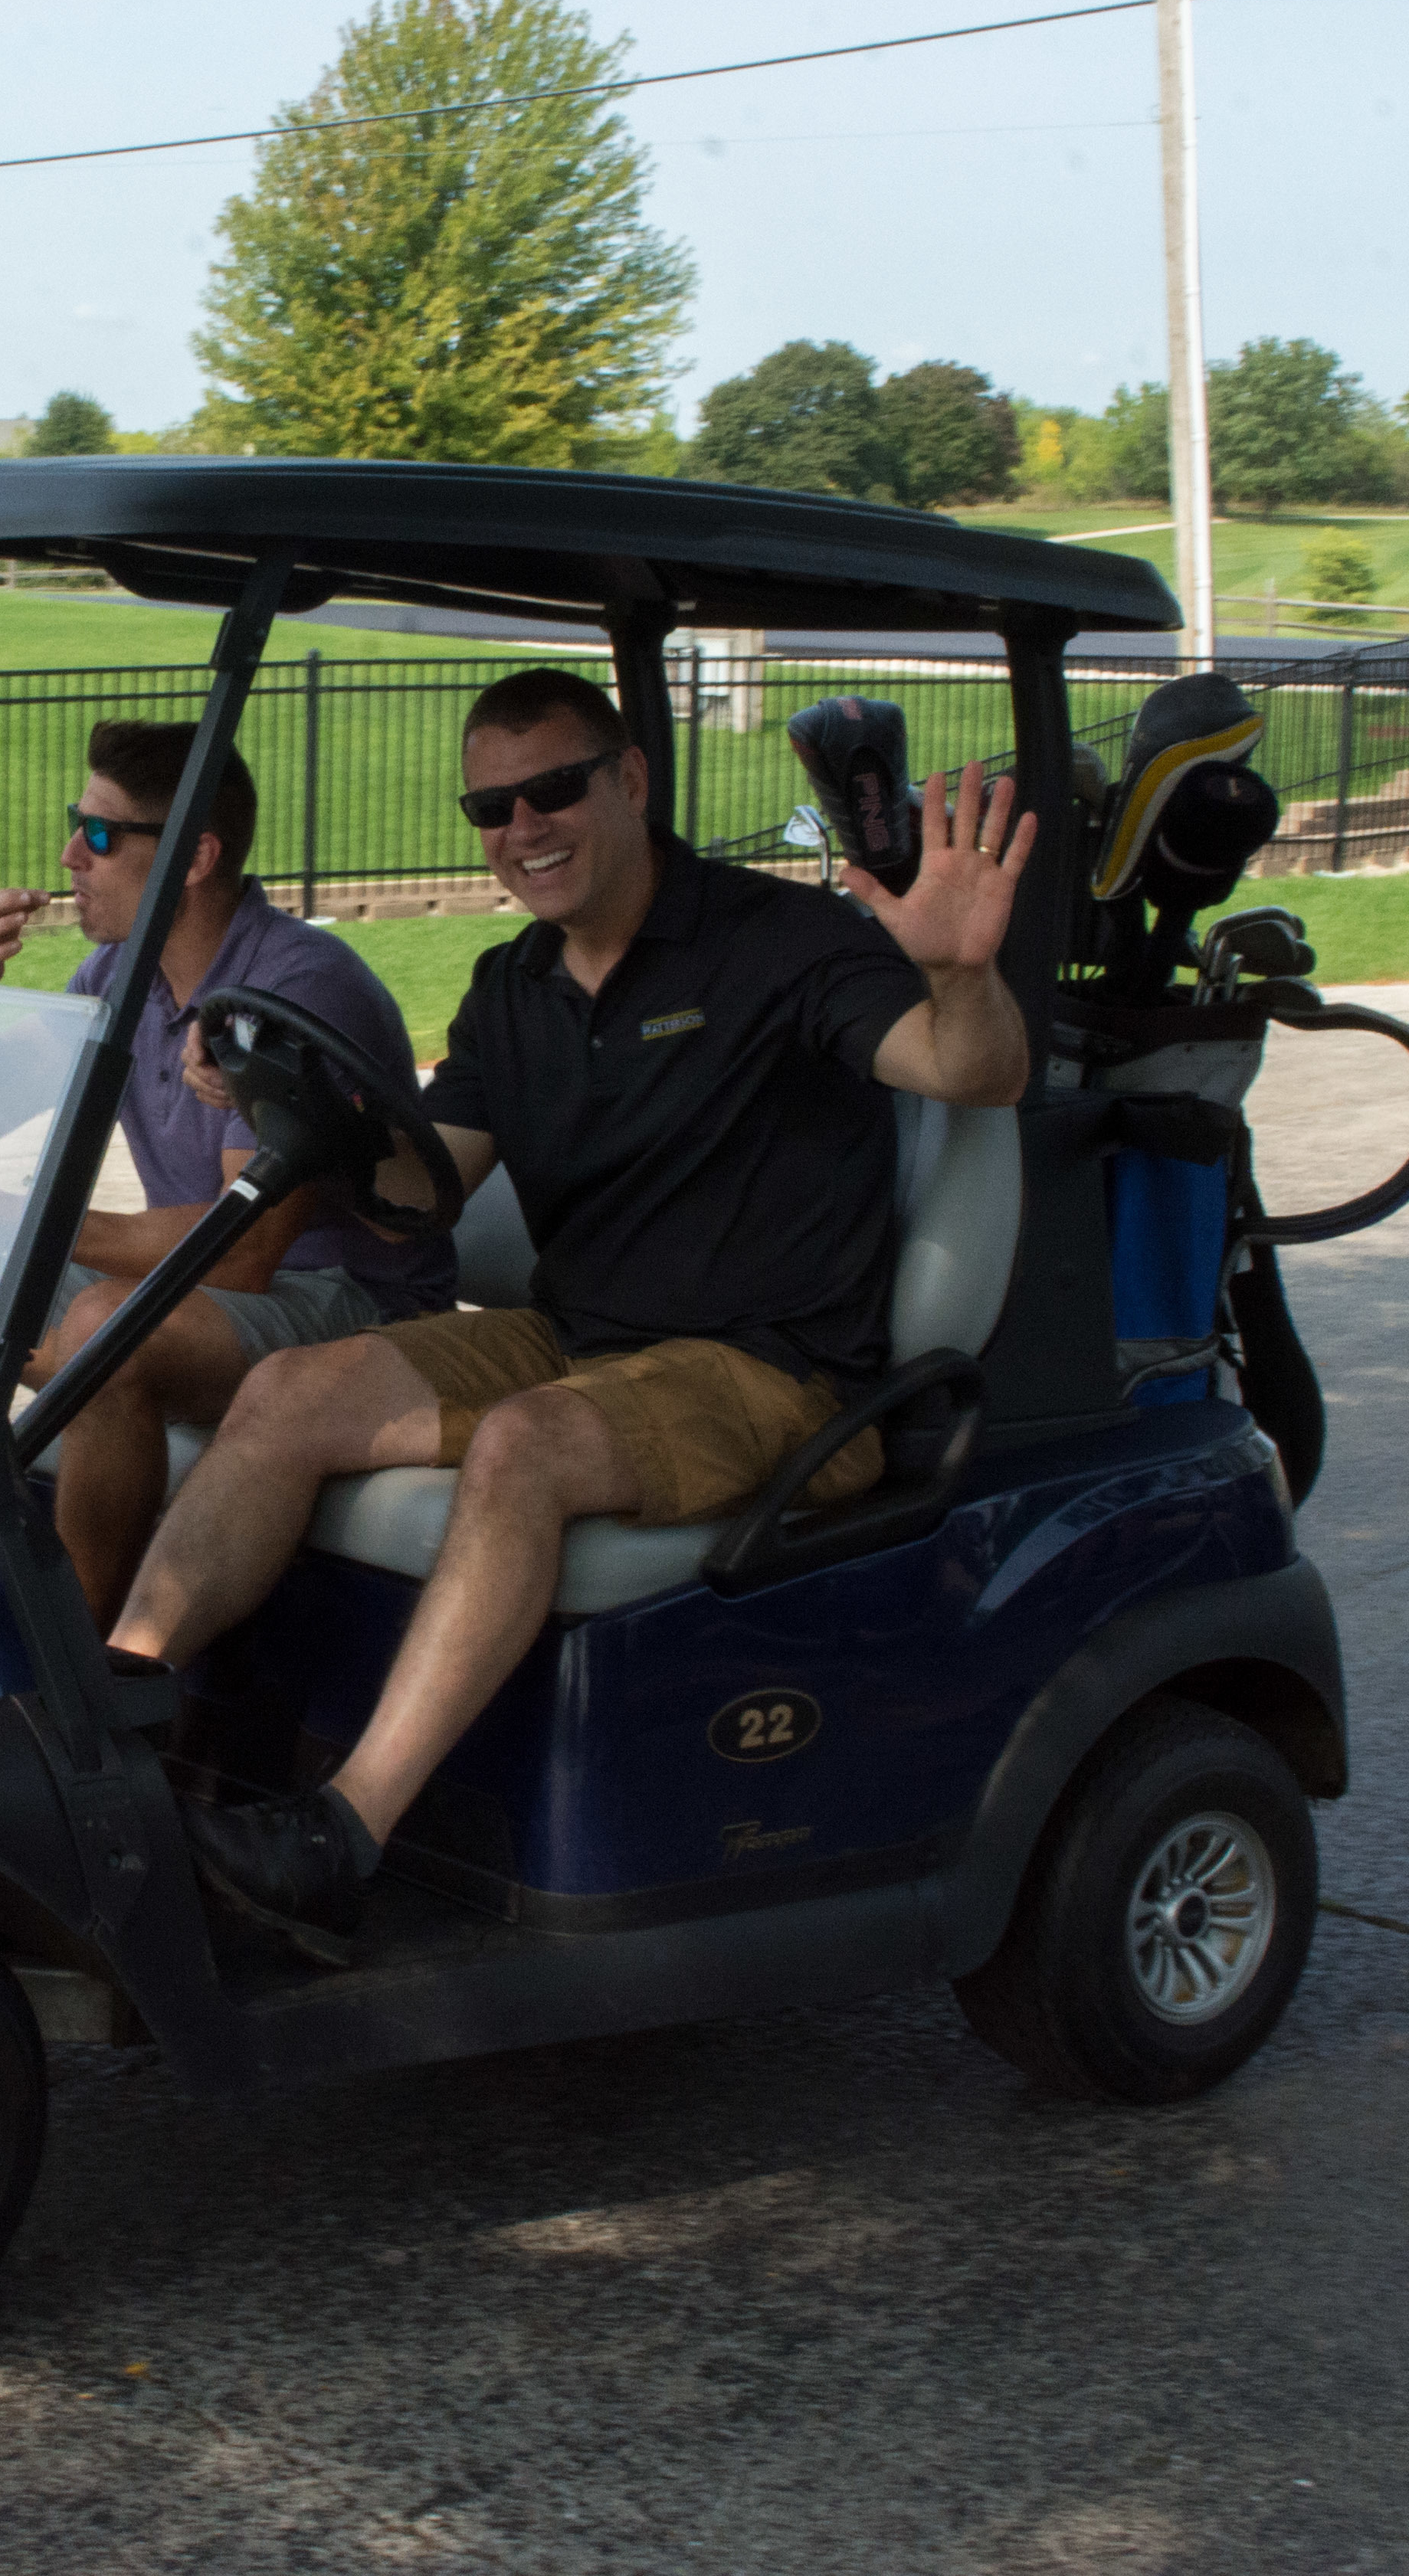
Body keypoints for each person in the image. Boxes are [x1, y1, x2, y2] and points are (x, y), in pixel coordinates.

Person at [106, 666, 1039, 1946]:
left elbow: (968, 1072)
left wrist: (961, 975)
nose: (522, 829)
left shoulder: (778, 941)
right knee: (288, 1389)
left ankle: (341, 1836)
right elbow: (421, 1191)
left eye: (552, 791)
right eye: (491, 809)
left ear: (631, 781)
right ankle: (118, 1715)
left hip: (775, 1369)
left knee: (523, 1444)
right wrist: (290, 1110)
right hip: (585, 1338)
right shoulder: (513, 989)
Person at [0, 719, 456, 1621]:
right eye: (76, 824)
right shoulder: (118, 976)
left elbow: (246, 1251)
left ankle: (73, 1668)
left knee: (104, 1329)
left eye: (98, 833)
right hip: (219, 1288)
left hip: (349, 1295)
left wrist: (26, 1228)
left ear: (196, 856)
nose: (69, 855)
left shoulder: (295, 985)